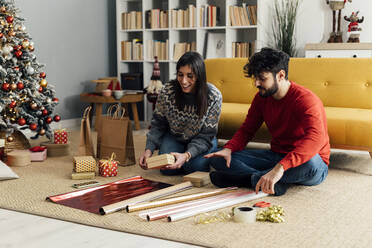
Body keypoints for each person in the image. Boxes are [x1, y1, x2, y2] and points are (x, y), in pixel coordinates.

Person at [205, 48, 330, 196]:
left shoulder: (305, 99)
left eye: (262, 79)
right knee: (218, 157)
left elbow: (316, 139)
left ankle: (250, 179)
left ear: (281, 75)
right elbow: (247, 130)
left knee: (311, 163)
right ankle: (265, 180)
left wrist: (280, 168)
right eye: (255, 78)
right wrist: (229, 148)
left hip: (309, 163)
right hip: (275, 156)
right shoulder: (262, 97)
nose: (257, 83)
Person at [139, 51, 222, 175]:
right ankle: (182, 155)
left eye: (190, 76)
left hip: (202, 139)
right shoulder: (167, 91)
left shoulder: (213, 96)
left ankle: (207, 153)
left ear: (199, 76)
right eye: (180, 74)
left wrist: (187, 155)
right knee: (166, 170)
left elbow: (206, 135)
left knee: (194, 168)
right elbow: (158, 124)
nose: (183, 81)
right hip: (175, 136)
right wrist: (148, 150)